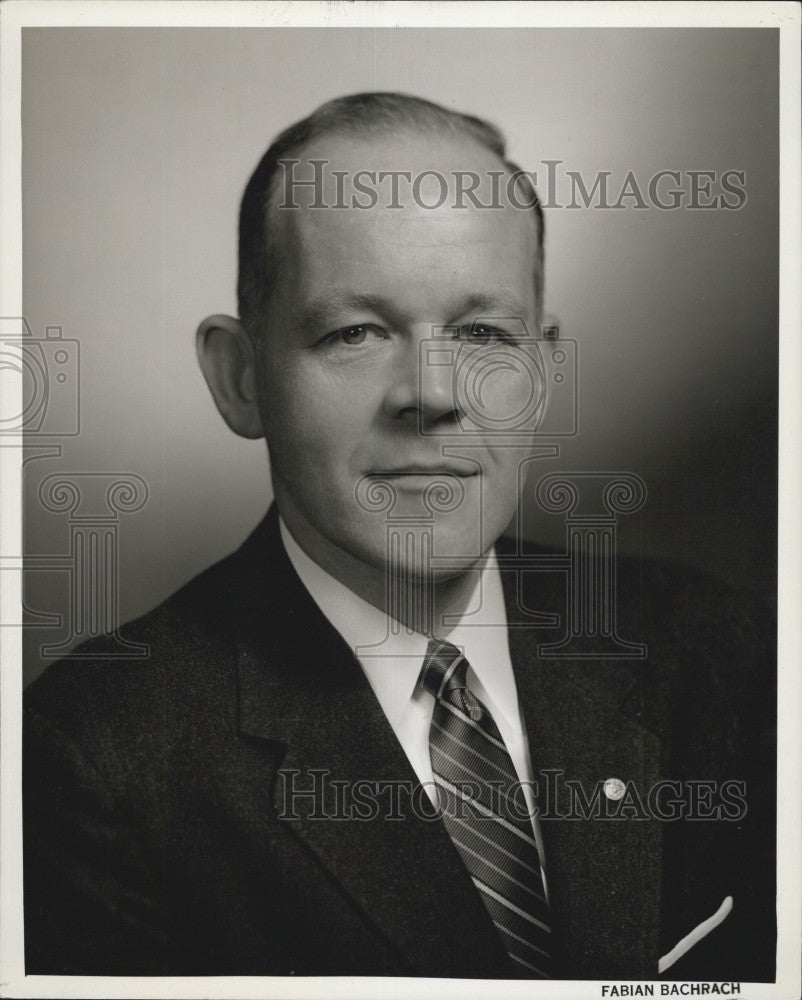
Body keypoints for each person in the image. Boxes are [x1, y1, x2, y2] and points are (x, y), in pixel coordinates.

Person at [23, 92, 776, 981]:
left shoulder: (724, 653)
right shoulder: (100, 756)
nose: (431, 393)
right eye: (355, 332)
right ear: (240, 380)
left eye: (484, 333)